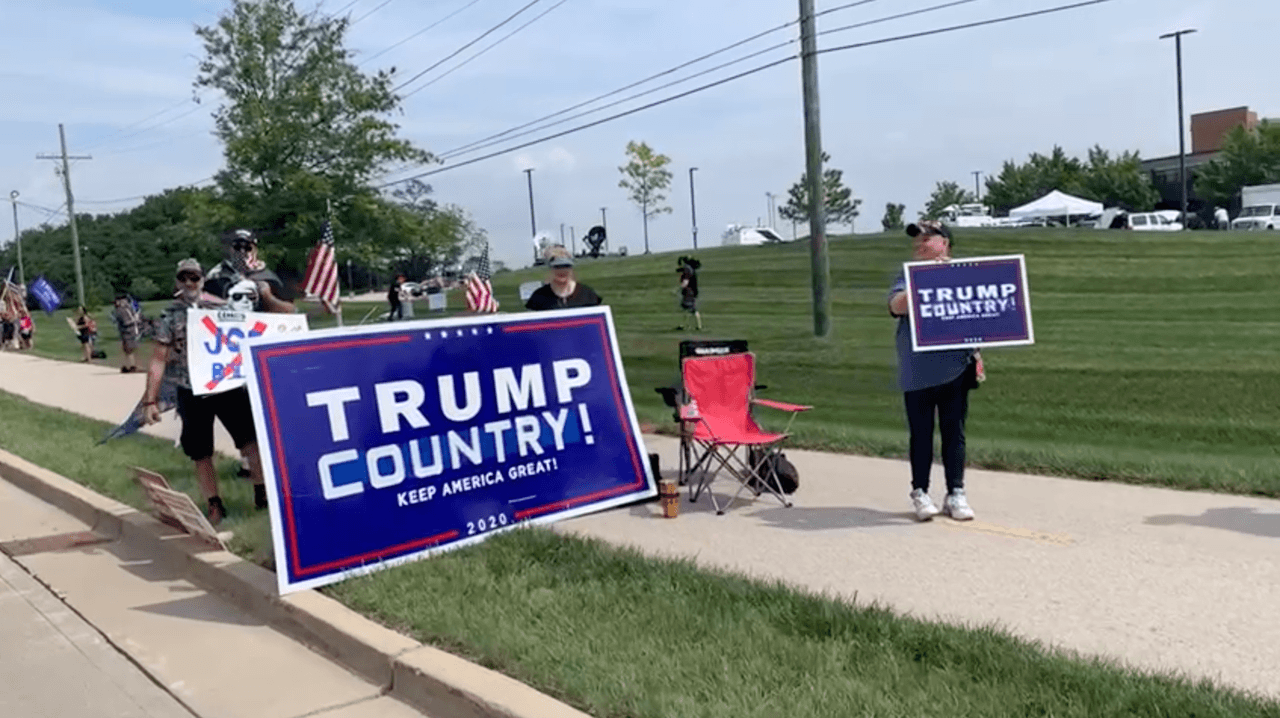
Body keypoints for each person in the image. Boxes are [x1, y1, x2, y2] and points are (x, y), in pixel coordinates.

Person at [140, 259, 268, 526]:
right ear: (177, 281)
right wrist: (150, 400)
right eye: (184, 278)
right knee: (201, 452)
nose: (189, 283)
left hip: (226, 386)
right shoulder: (170, 316)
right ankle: (214, 504)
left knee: (250, 441)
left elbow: (247, 337)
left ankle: (262, 493)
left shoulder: (221, 309)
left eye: (194, 278)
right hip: (191, 390)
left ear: (201, 280)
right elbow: (158, 359)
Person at [886, 220, 977, 522]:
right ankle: (920, 492)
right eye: (917, 240)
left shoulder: (964, 275)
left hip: (955, 366)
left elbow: (976, 318)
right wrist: (926, 280)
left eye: (928, 237)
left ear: (945, 243)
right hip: (918, 368)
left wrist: (977, 355)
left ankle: (956, 493)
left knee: (954, 432)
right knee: (921, 433)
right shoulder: (908, 275)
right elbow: (897, 306)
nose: (920, 243)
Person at [204, 228, 295, 314]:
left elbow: (290, 310)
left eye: (247, 248)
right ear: (229, 249)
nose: (242, 251)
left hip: (259, 327)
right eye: (237, 247)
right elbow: (200, 301)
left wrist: (267, 296)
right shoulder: (216, 275)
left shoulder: (268, 277)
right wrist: (227, 302)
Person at [525, 246, 603, 310]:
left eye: (566, 266)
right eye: (557, 267)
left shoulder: (588, 295)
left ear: (571, 269)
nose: (562, 271)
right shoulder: (538, 297)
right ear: (550, 269)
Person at [112, 294, 141, 373]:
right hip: (129, 330)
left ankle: (133, 366)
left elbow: (127, 321)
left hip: (128, 330)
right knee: (127, 349)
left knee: (129, 349)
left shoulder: (122, 310)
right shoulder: (128, 308)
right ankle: (129, 365)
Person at [675, 256, 702, 331]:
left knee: (689, 308)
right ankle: (693, 325)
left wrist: (679, 289)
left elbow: (686, 281)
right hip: (692, 291)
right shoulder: (690, 268)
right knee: (689, 309)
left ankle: (687, 325)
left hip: (688, 291)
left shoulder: (687, 269)